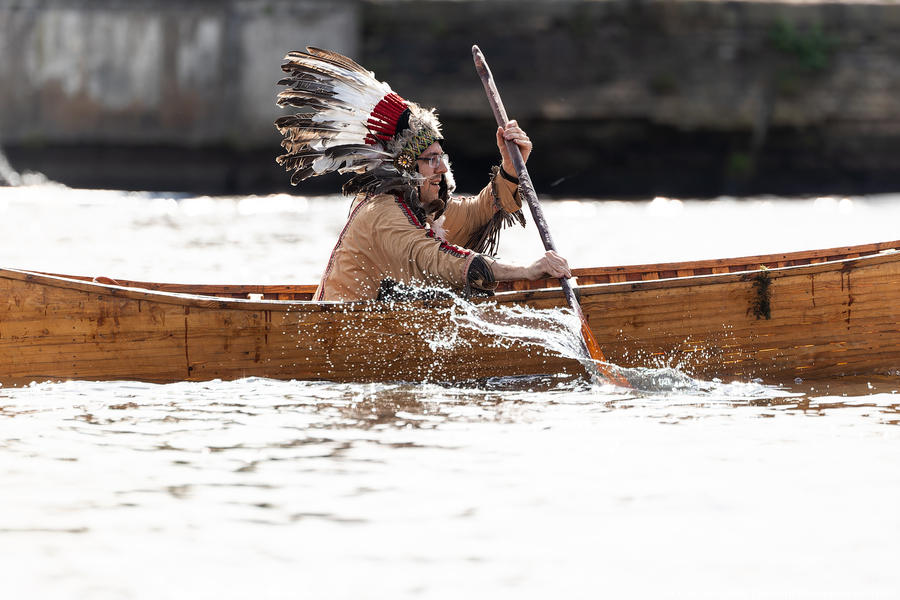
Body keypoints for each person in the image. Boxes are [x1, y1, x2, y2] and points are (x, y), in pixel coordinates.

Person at [274, 47, 571, 302]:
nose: (442, 168)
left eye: (442, 157)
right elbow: (438, 260)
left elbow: (480, 211)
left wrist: (510, 165)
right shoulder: (382, 213)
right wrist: (528, 271)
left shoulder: (423, 210)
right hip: (332, 341)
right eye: (431, 160)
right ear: (405, 167)